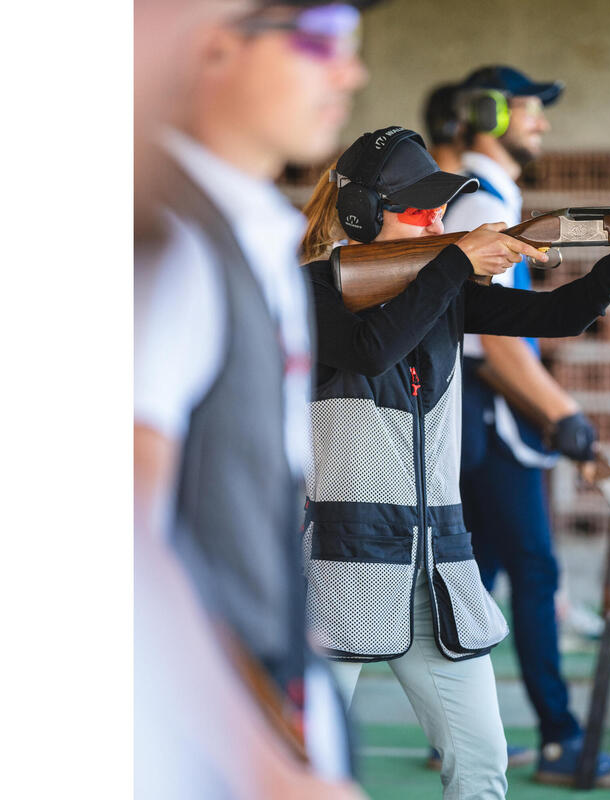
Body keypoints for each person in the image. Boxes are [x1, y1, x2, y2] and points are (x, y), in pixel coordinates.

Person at [298, 124, 610, 799]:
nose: (437, 220)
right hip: (338, 576)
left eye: (441, 208)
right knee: (299, 768)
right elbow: (371, 348)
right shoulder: (314, 291)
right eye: (417, 209)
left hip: (437, 574)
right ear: (362, 214)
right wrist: (456, 264)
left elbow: (560, 316)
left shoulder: (444, 292)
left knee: (482, 765)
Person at [134, 2, 375, 797]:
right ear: (212, 47)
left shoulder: (247, 228)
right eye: (318, 39)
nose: (350, 71)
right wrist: (267, 769)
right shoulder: (167, 241)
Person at [440, 64, 610, 788]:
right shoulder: (480, 206)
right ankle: (563, 739)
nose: (544, 124)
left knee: (485, 572)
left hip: (487, 411)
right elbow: (498, 346)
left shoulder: (490, 196)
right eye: (532, 110)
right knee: (532, 570)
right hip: (490, 412)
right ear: (491, 115)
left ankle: (455, 736)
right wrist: (569, 424)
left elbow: (530, 326)